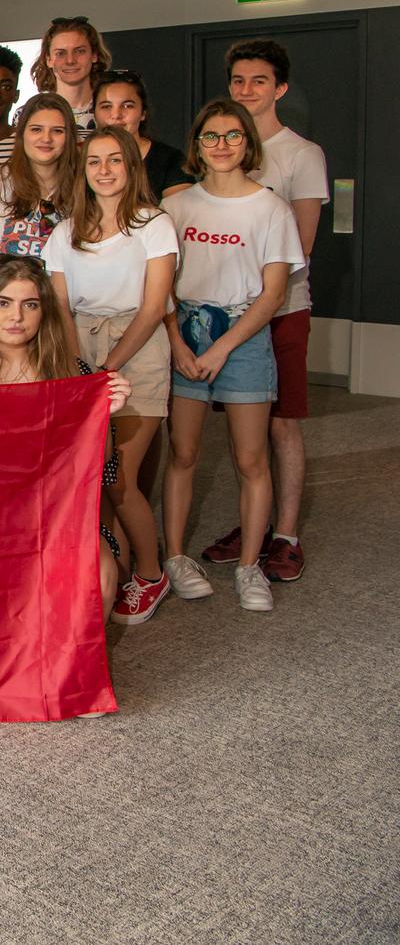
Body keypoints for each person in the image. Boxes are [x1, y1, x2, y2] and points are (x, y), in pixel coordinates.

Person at [161, 100, 303, 613]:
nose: (221, 145)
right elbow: (163, 286)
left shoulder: (270, 209)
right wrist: (178, 342)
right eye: (211, 137)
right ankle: (175, 557)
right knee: (182, 454)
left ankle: (248, 567)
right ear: (197, 146)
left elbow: (272, 295)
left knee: (250, 458)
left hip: (243, 340)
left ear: (248, 143)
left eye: (232, 136)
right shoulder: (176, 208)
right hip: (185, 337)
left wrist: (224, 346)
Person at [201, 39, 329, 583]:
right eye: (237, 81)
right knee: (242, 429)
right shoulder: (225, 149)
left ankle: (286, 534)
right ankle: (251, 521)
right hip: (223, 315)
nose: (246, 90)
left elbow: (300, 247)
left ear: (279, 88)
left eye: (258, 81)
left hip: (281, 310)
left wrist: (254, 297)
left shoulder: (301, 154)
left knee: (281, 427)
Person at [44, 128, 179, 624]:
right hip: (78, 343)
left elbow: (152, 308)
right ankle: (111, 567)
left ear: (131, 167)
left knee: (117, 474)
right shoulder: (65, 232)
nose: (104, 170)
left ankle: (150, 572)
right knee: (88, 477)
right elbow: (58, 305)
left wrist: (106, 371)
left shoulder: (154, 224)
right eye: (94, 161)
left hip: (136, 349)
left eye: (114, 161)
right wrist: (81, 372)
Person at [0, 256, 132, 618]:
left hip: (61, 516)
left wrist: (102, 417)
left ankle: (72, 671)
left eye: (29, 304)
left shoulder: (74, 375)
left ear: (43, 312)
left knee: (100, 573)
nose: (16, 316)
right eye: (3, 303)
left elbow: (102, 469)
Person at [0, 93, 82, 333]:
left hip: (61, 325)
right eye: (36, 129)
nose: (46, 138)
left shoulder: (84, 192)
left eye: (57, 131)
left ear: (70, 137)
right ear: (21, 134)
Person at [92, 70, 192, 199]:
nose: (116, 115)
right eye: (106, 106)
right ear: (94, 113)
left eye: (127, 106)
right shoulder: (80, 159)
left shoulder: (170, 159)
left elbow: (180, 213)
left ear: (143, 113)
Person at [28, 16, 110, 136]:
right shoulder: (29, 113)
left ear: (94, 55)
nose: (70, 60)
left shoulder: (111, 113)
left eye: (80, 51)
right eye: (60, 53)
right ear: (48, 60)